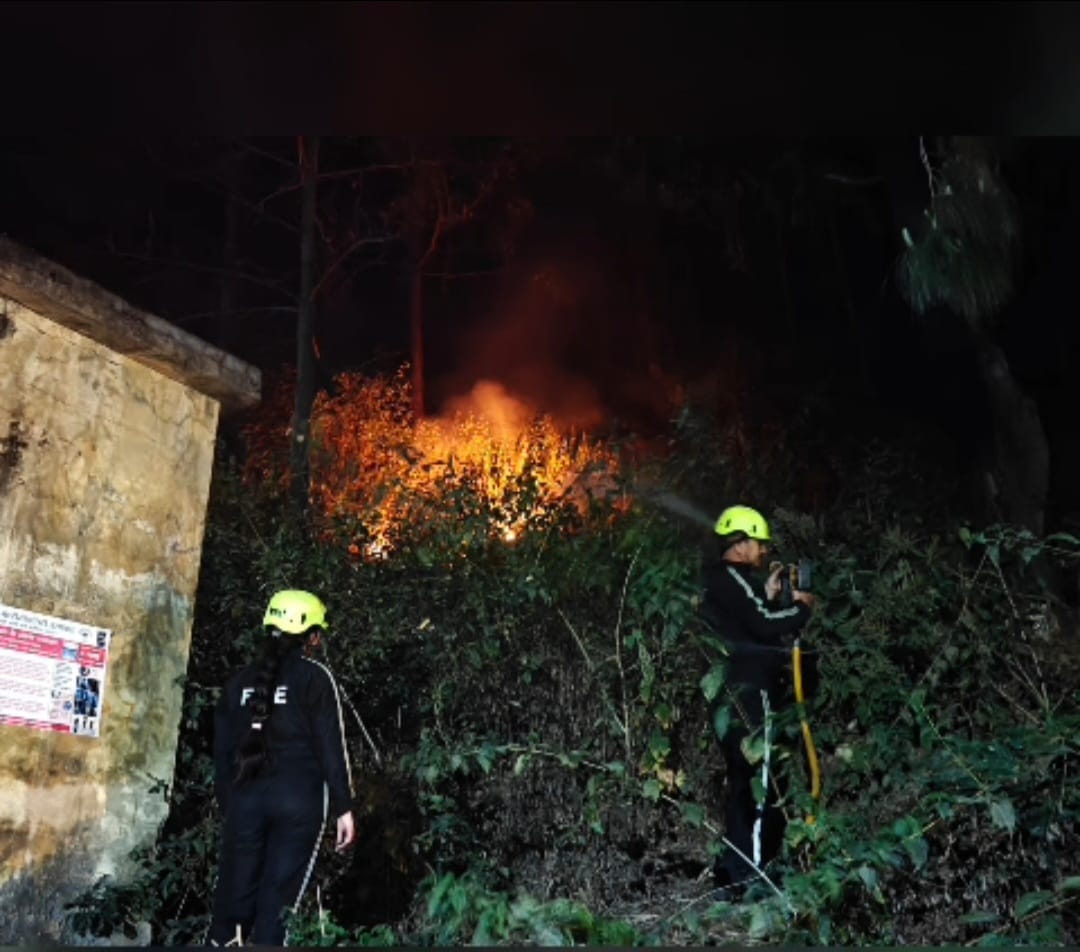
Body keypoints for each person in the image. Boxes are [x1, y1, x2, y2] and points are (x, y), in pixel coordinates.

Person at [209, 589, 356, 946]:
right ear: (312, 637)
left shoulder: (239, 682)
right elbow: (330, 746)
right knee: (277, 904)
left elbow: (222, 754)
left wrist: (232, 805)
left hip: (244, 800)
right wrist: (344, 807)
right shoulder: (314, 677)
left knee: (232, 901)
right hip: (298, 803)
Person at [702, 505, 815, 898]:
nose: (763, 551)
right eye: (758, 543)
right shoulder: (735, 579)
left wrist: (763, 597)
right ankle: (754, 878)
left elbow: (746, 619)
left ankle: (732, 873)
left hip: (727, 694)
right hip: (751, 692)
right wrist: (801, 608)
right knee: (761, 782)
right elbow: (765, 625)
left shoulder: (719, 581)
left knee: (740, 782)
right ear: (740, 543)